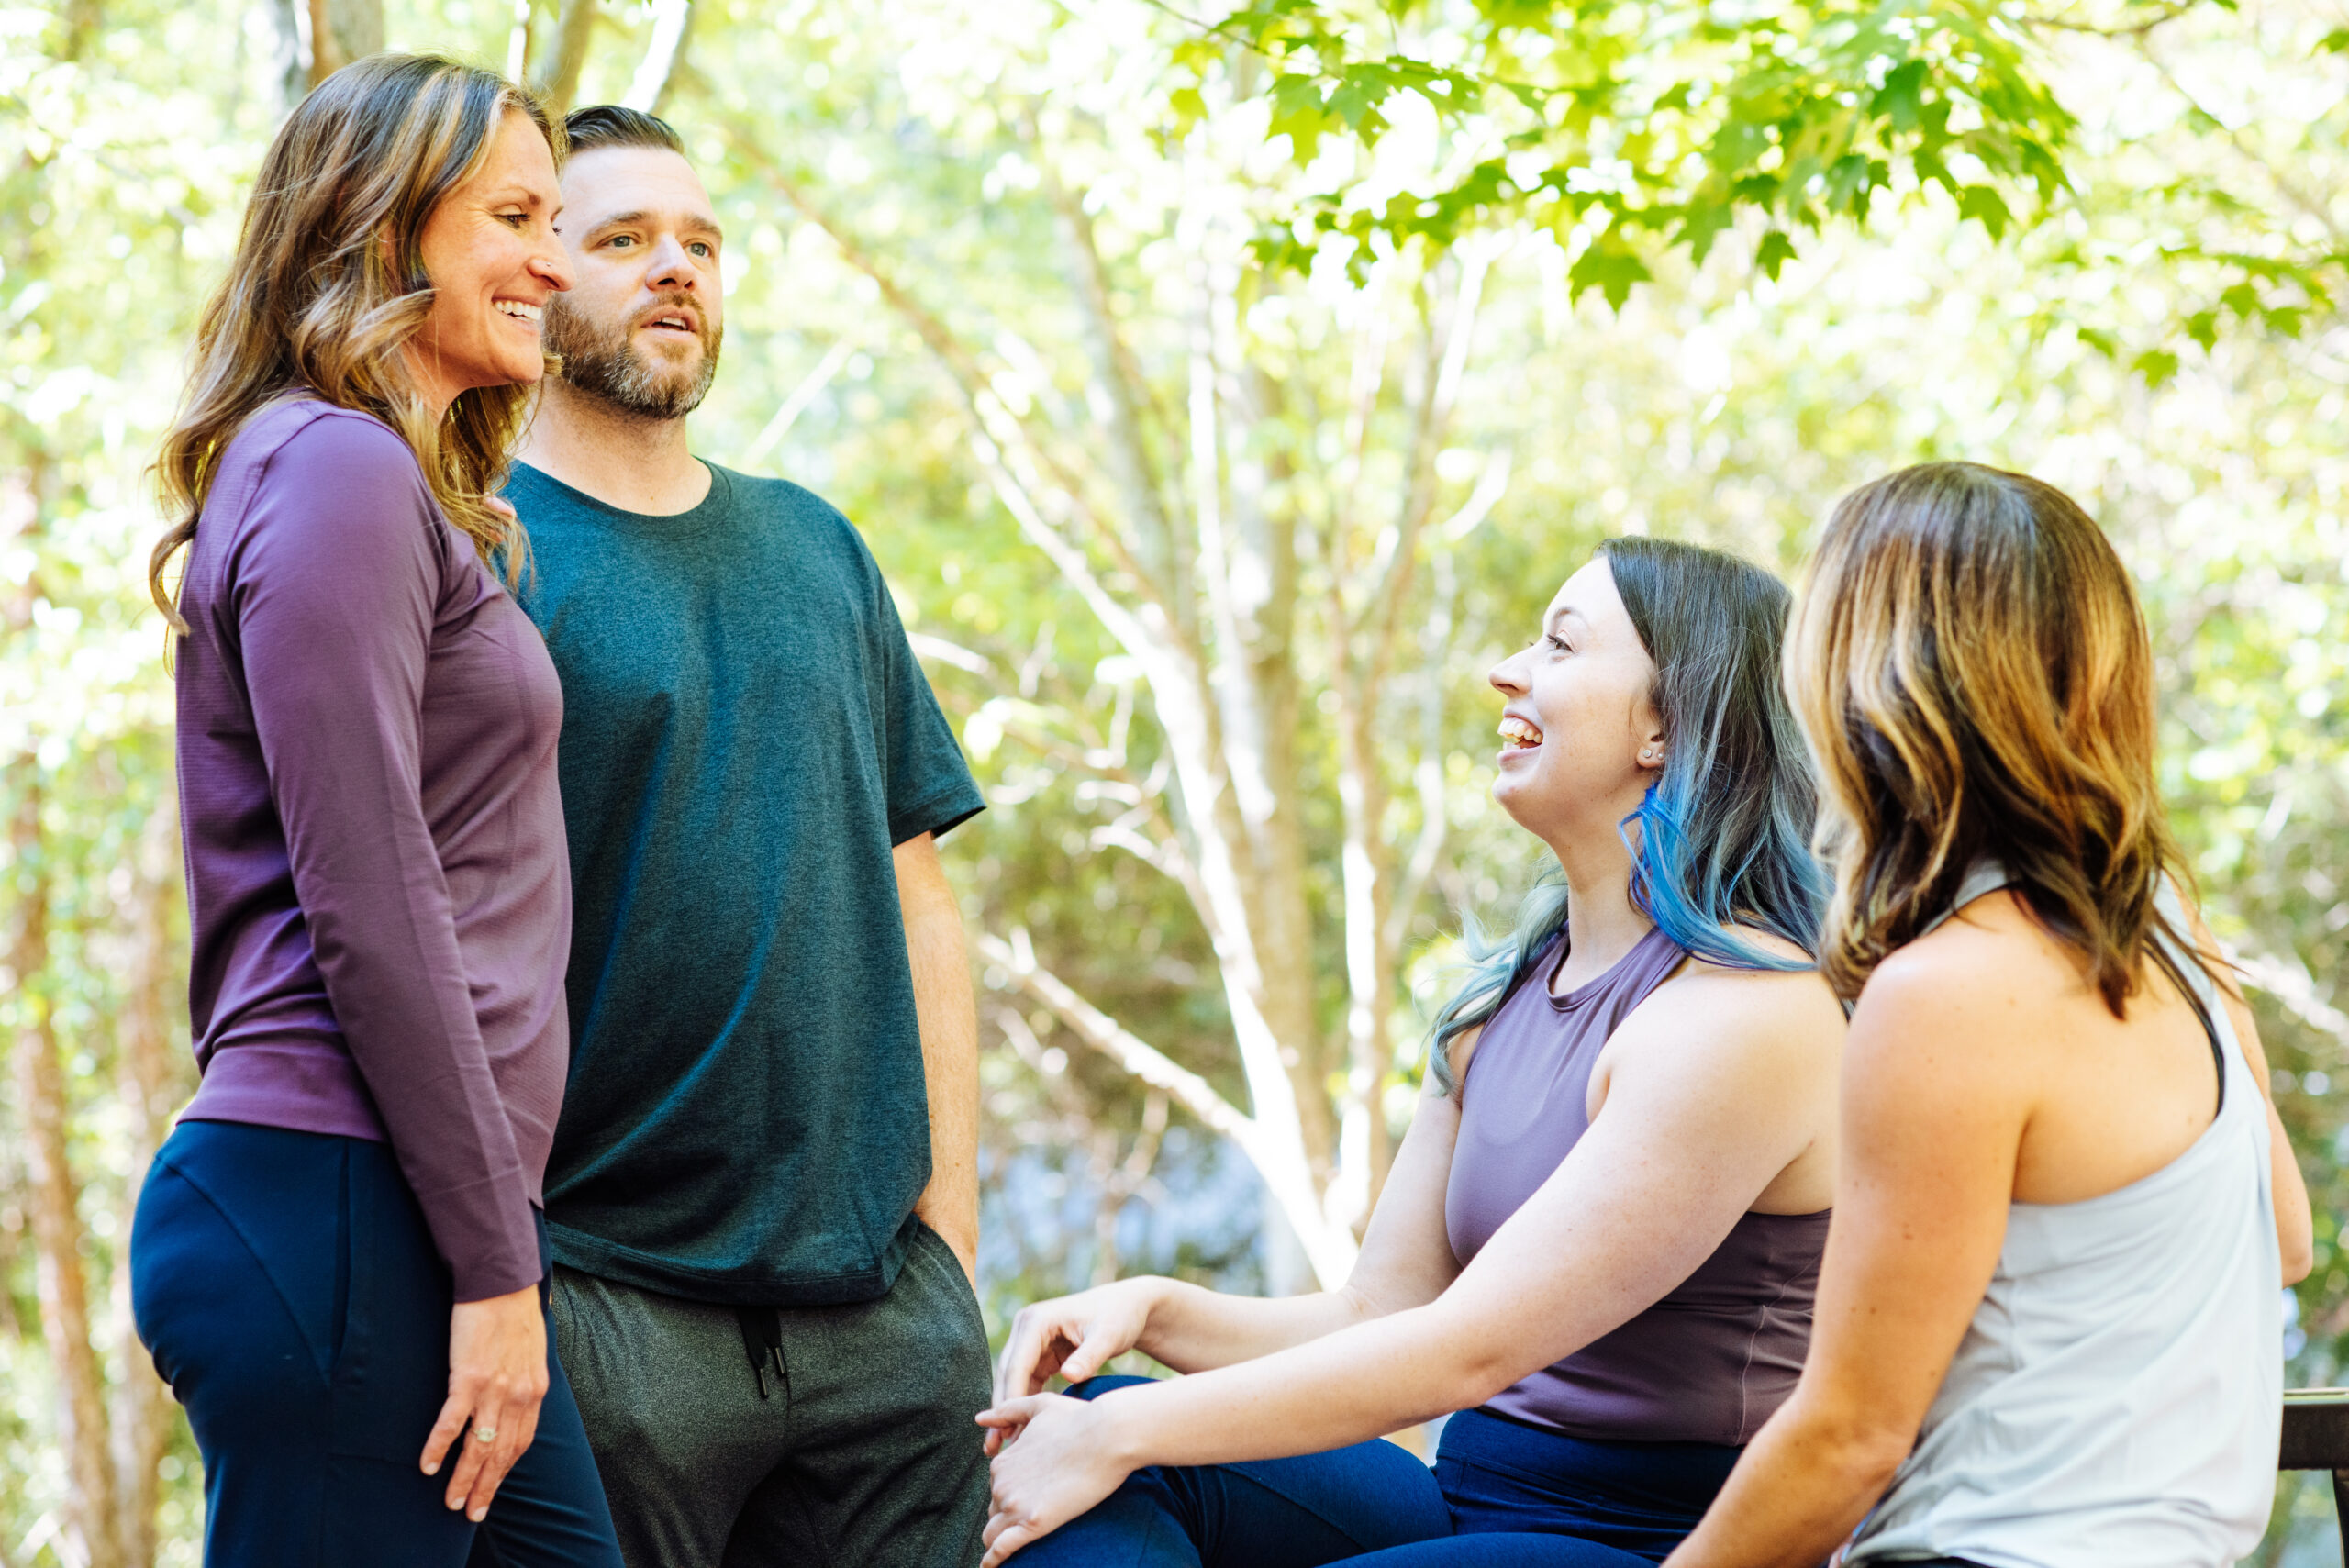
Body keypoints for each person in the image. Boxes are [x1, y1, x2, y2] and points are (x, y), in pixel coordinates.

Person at [978, 538, 1847, 1566]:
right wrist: (1153, 1313)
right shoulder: (1501, 1000)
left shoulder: (1744, 1013)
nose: (1509, 670)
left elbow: (1466, 1348)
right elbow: (1378, 1311)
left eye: (1561, 646)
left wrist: (1117, 1431)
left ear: (1664, 722)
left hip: (1655, 1541)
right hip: (1467, 1500)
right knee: (1098, 1438)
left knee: (1117, 1435)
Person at [128, 55, 624, 1568]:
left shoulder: (365, 482)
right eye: (515, 216)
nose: (556, 260)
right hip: (336, 1194)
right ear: (382, 227)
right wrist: (493, 1263)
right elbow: (371, 887)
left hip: (380, 1208)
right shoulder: (334, 468)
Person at [1659, 462, 2316, 1568]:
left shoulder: (1951, 990)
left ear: (1863, 681)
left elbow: (1846, 1439)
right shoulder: (2162, 929)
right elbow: (2282, 1238)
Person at [501, 104, 991, 1566]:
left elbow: (921, 902)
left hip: (885, 1321)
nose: (677, 270)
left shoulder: (818, 543)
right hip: (609, 1309)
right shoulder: (475, 560)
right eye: (625, 240)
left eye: (701, 243)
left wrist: (949, 1244)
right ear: (533, 274)